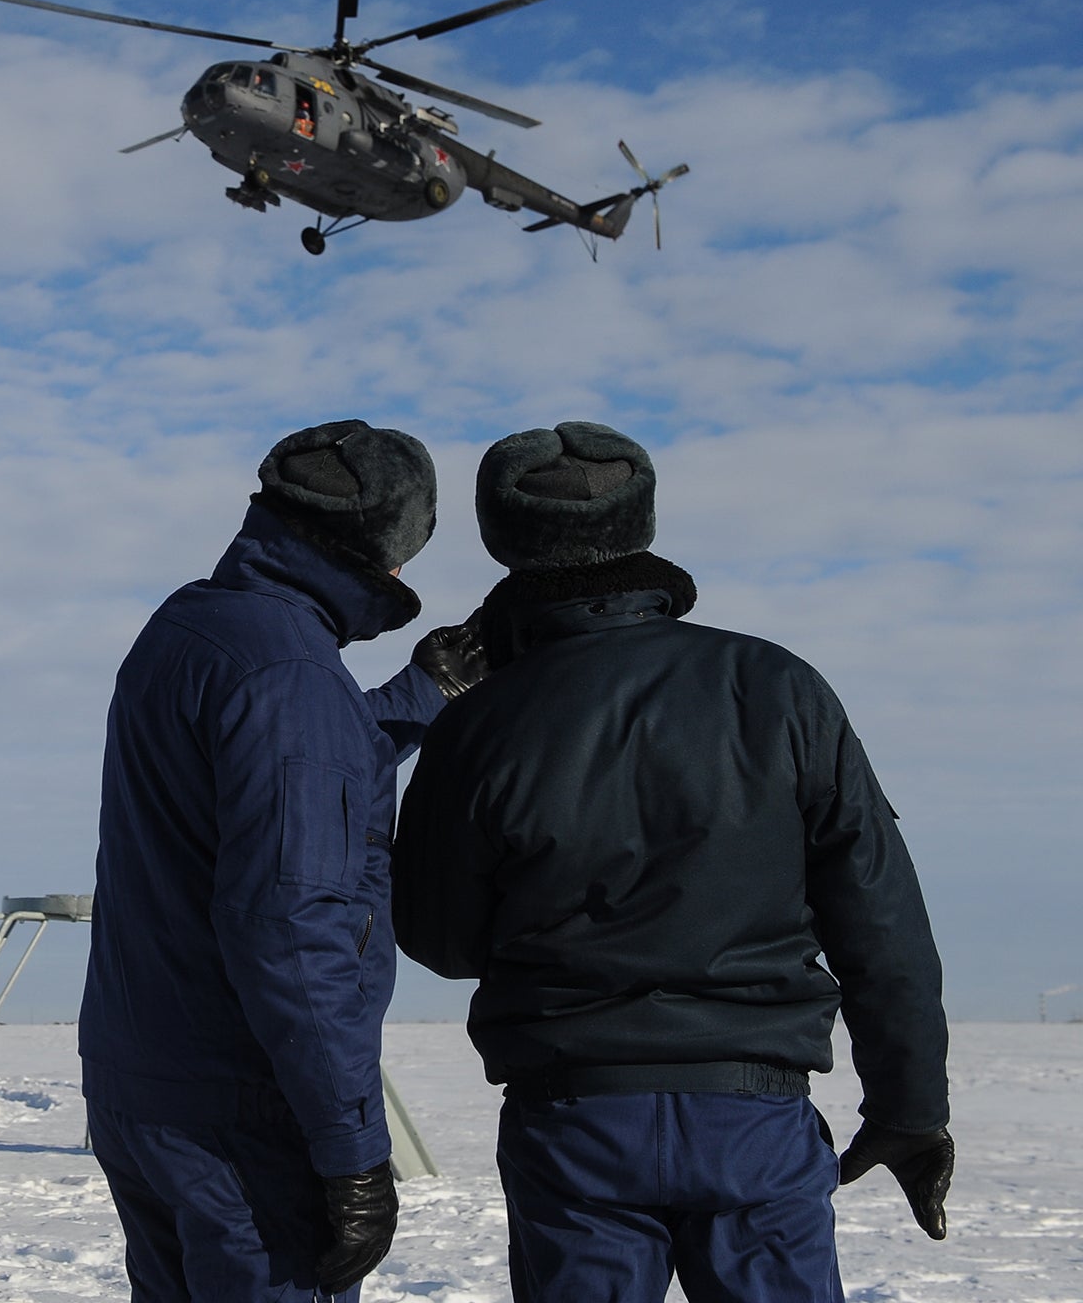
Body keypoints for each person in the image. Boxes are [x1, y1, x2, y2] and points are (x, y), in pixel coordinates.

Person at [393, 421, 952, 1303]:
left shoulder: (477, 724)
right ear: (641, 523)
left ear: (503, 540)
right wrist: (910, 1109)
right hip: (754, 1120)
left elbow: (443, 943)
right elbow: (878, 918)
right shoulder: (777, 687)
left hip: (574, 1122)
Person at [80, 419, 486, 1302]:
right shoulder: (292, 675)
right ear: (383, 555)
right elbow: (293, 931)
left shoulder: (194, 624)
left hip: (143, 1085)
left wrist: (422, 693)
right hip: (241, 1117)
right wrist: (354, 1158)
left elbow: (281, 780)